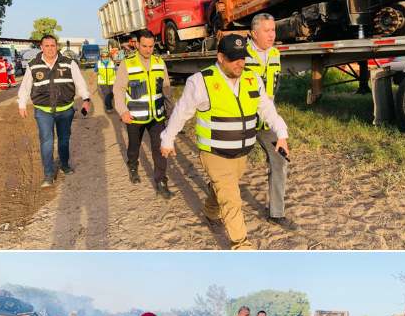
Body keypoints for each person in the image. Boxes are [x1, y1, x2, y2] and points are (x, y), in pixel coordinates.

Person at [160, 34, 290, 250]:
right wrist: (167, 139)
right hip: (214, 152)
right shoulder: (200, 82)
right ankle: (241, 245)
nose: (241, 63)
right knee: (231, 197)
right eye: (234, 58)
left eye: (243, 58)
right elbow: (181, 113)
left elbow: (267, 109)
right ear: (220, 57)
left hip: (241, 153)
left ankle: (210, 212)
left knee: (222, 188)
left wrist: (282, 135)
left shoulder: (252, 79)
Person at [17, 34, 91, 188]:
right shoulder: (33, 65)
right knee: (47, 142)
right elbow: (25, 86)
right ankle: (48, 174)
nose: (50, 49)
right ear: (41, 47)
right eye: (47, 46)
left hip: (65, 110)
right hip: (43, 111)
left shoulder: (69, 63)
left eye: (53, 45)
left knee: (64, 140)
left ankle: (64, 165)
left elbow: (80, 82)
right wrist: (22, 104)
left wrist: (86, 99)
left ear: (57, 47)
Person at [113, 29, 173, 197]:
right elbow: (118, 89)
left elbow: (166, 89)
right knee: (134, 146)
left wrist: (171, 110)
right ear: (137, 44)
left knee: (159, 149)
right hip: (134, 116)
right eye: (144, 46)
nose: (148, 50)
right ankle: (133, 166)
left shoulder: (160, 62)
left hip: (156, 116)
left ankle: (161, 181)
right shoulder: (127, 63)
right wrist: (123, 111)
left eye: (151, 46)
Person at [247, 13, 293, 229]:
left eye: (273, 30)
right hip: (241, 122)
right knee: (229, 166)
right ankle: (214, 206)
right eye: (266, 31)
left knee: (280, 160)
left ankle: (276, 213)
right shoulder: (239, 53)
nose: (272, 35)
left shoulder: (275, 54)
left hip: (266, 121)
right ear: (254, 33)